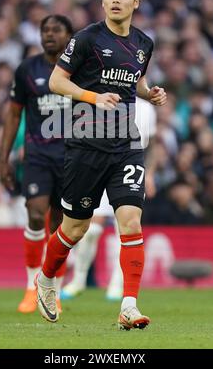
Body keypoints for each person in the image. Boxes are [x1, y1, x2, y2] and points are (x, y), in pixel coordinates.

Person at [35, 0, 167, 330]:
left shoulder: (143, 43)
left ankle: (128, 305)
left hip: (125, 144)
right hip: (85, 145)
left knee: (131, 220)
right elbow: (56, 80)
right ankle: (46, 279)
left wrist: (149, 93)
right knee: (75, 229)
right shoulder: (87, 39)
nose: (115, 0)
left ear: (135, 2)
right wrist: (93, 96)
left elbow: (133, 79)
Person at [0, 15, 73, 313]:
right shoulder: (27, 70)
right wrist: (3, 158)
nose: (49, 35)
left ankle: (50, 289)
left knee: (60, 226)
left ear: (70, 36)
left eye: (56, 30)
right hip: (37, 157)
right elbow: (14, 114)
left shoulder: (80, 69)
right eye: (45, 30)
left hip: (71, 157)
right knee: (34, 214)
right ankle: (31, 286)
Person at [61, 97, 157, 301]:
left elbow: (152, 144)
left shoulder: (146, 107)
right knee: (91, 229)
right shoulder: (106, 96)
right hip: (101, 166)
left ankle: (117, 283)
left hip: (128, 167)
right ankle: (78, 281)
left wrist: (150, 173)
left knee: (126, 227)